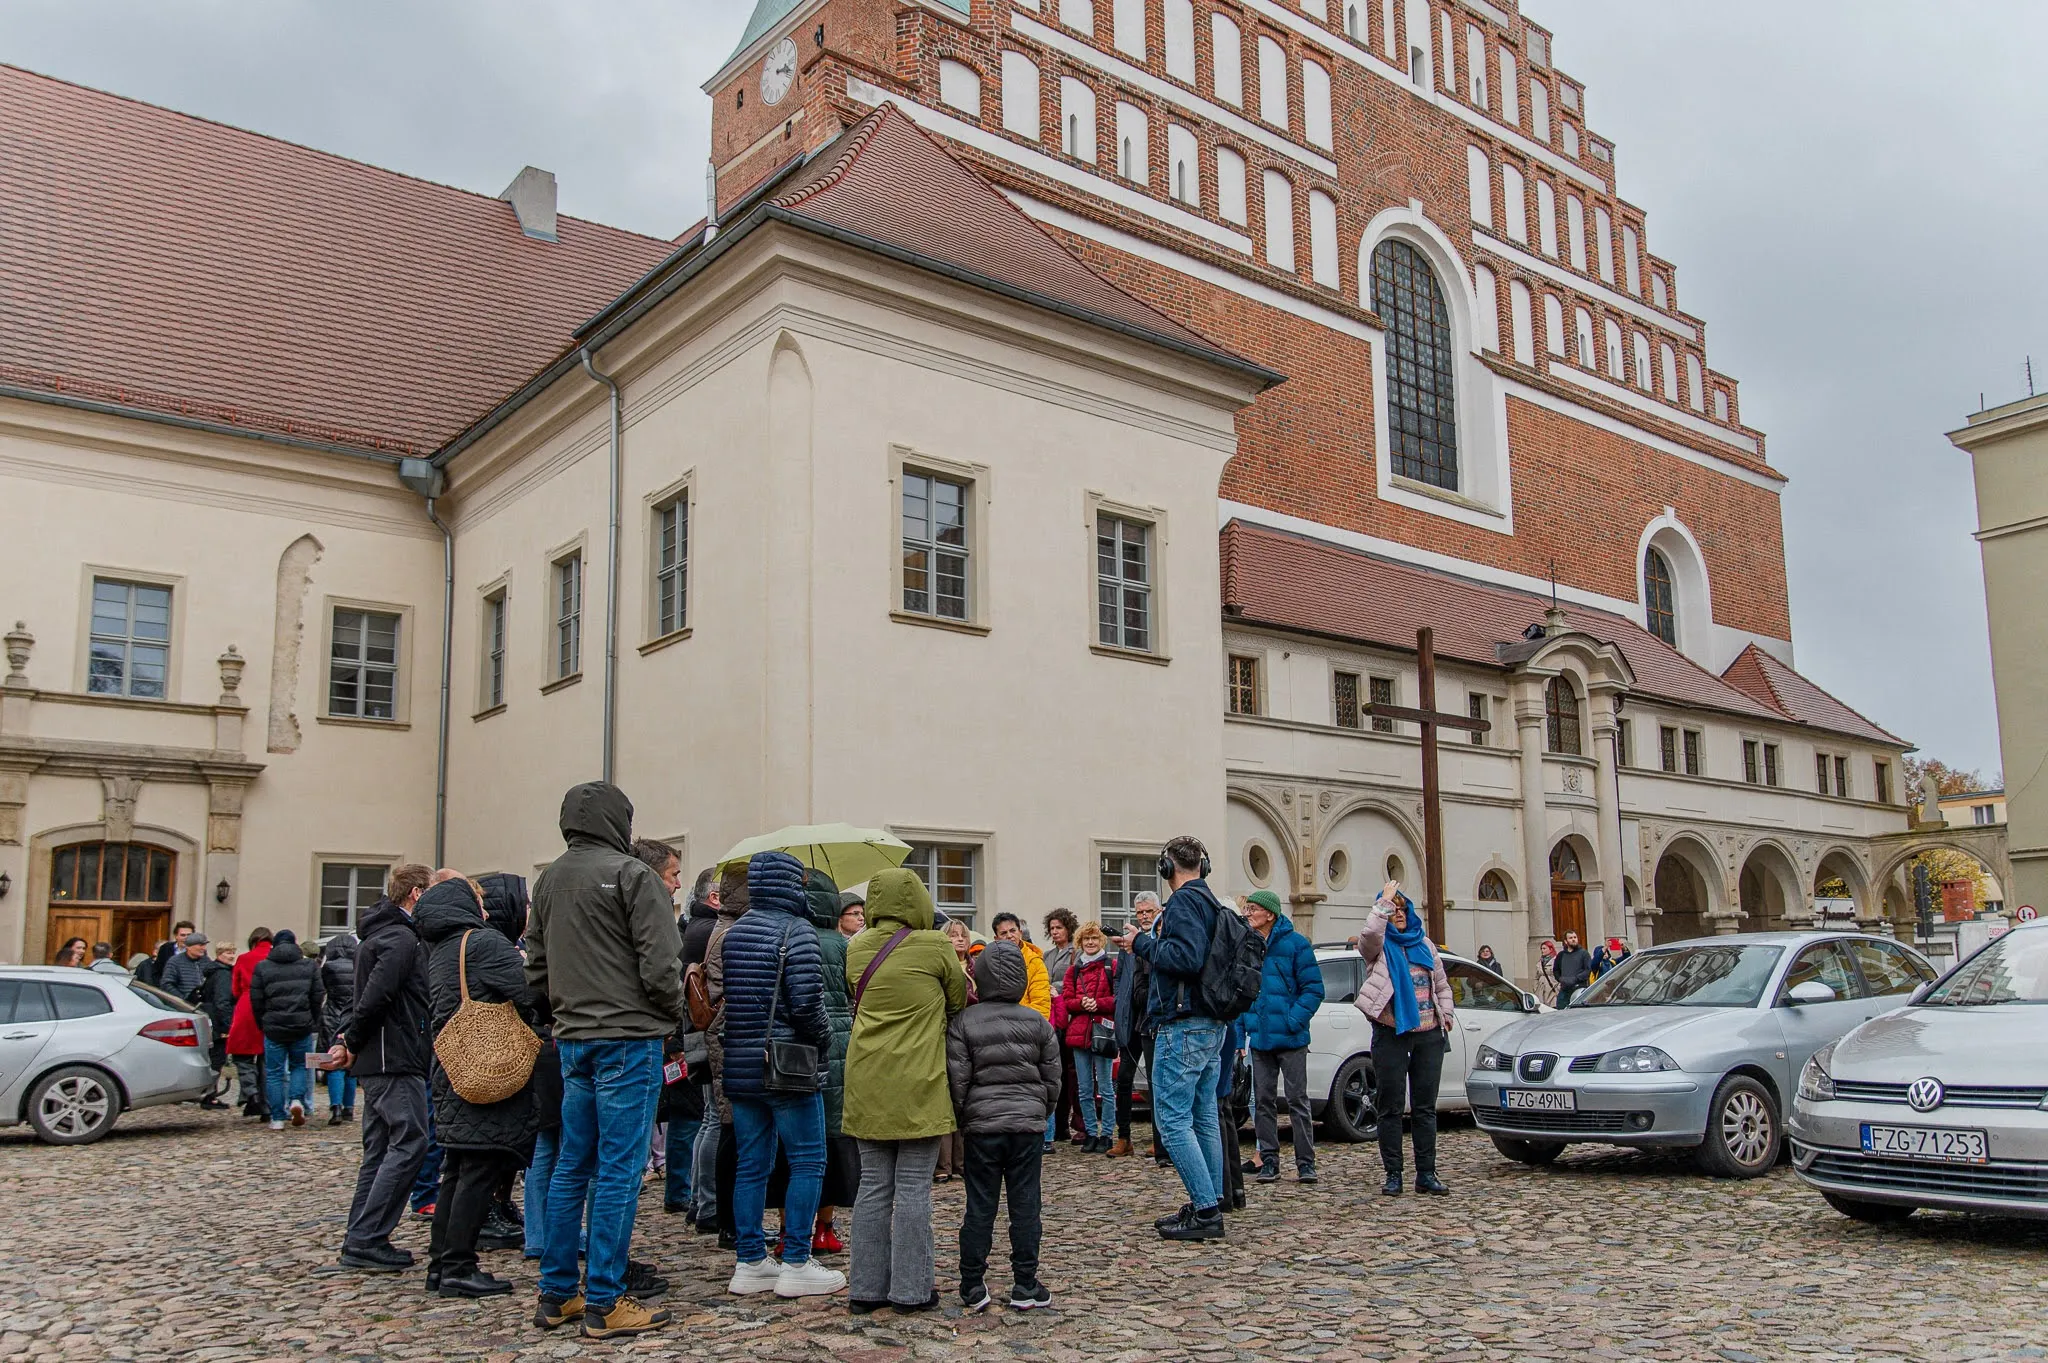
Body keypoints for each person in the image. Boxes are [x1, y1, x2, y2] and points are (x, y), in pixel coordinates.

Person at [526, 783, 687, 1340]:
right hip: (628, 1035)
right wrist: (667, 1015)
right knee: (619, 1170)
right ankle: (605, 1299)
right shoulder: (632, 874)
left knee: (574, 1164)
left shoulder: (549, 877)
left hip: (575, 1038)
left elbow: (536, 965)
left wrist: (562, 1013)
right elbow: (661, 962)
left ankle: (558, 1294)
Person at [842, 866, 967, 1314]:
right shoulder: (934, 946)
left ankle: (865, 1289)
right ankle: (913, 1291)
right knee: (914, 1187)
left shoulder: (855, 948)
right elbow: (956, 1000)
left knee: (873, 1186)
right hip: (919, 1079)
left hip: (866, 1080)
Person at [718, 851, 841, 1301]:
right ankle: (796, 1261)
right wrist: (825, 1039)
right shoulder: (797, 929)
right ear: (792, 885)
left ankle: (750, 1261)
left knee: (752, 1164)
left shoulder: (735, 933)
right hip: (788, 1065)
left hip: (742, 1063)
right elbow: (807, 1003)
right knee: (808, 1160)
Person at [417, 878, 540, 1299]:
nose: (486, 909)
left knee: (457, 1170)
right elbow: (530, 992)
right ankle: (458, 1266)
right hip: (487, 1065)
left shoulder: (441, 949)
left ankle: (442, 1263)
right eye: (479, 901)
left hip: (456, 1068)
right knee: (478, 1172)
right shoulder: (482, 944)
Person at [1117, 836, 1227, 1242]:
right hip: (1210, 1023)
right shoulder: (1212, 902)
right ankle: (1210, 1199)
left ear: (1167, 869)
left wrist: (1140, 943)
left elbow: (1186, 958)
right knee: (1203, 1117)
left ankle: (1206, 1209)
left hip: (1183, 1024)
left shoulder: (1182, 903)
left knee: (1173, 1120)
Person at [946, 938, 1060, 1312]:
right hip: (1026, 1125)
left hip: (983, 1125)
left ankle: (972, 1284)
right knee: (1026, 1205)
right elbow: (1052, 1079)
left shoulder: (964, 1021)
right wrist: (1040, 1114)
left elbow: (958, 1080)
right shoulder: (1037, 1022)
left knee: (980, 1205)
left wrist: (967, 1117)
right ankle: (1025, 1283)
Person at [334, 863, 434, 1275]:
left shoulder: (382, 935)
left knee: (379, 1149)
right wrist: (351, 1040)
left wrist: (347, 1038)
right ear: (414, 894)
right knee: (411, 1140)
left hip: (381, 1056)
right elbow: (375, 996)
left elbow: (362, 997)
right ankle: (369, 1237)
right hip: (393, 1056)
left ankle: (362, 1237)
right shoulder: (399, 939)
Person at [1356, 882, 1455, 1197]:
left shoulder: (1424, 944)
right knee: (1391, 1107)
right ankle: (1393, 1174)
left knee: (1425, 1108)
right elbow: (1370, 934)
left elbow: (1441, 984)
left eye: (1401, 908)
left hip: (1428, 1035)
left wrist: (1448, 1015)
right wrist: (1382, 901)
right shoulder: (1380, 947)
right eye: (1392, 909)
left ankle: (1426, 1173)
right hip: (1391, 1035)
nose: (1397, 914)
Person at [1243, 889, 1324, 1185]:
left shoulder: (1296, 945)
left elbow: (1314, 989)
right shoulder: (1248, 946)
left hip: (1291, 1038)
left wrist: (1293, 1019)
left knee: (1297, 1101)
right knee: (1263, 1102)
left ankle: (1305, 1163)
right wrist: (1247, 1023)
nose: (1248, 913)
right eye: (1247, 909)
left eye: (1253, 909)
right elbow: (1243, 988)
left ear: (1270, 914)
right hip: (1261, 1037)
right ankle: (1269, 1160)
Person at [802, 867, 858, 1256]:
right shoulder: (842, 946)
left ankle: (795, 1230)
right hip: (839, 1042)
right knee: (831, 1142)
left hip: (799, 1043)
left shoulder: (793, 939)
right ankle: (826, 1227)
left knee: (798, 1144)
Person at [668, 866, 719, 1220]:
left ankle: (698, 1200)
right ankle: (706, 1203)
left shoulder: (696, 927)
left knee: (704, 1119)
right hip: (705, 1030)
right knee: (711, 1119)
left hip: (694, 1031)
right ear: (714, 897)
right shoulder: (708, 930)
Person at [250, 928, 324, 1130]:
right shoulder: (309, 966)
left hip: (273, 1026)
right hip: (301, 1024)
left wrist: (262, 1023)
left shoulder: (263, 967)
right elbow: (317, 996)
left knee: (274, 1072)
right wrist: (312, 1019)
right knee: (299, 1065)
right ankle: (296, 1100)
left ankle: (276, 1118)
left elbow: (256, 1000)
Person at [1058, 922, 1118, 1153]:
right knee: (1084, 1088)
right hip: (1080, 1031)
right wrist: (1082, 1003)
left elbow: (1117, 998)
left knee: (1105, 1086)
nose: (1090, 943)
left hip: (1102, 1031)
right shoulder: (1073, 970)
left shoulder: (1111, 967)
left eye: (1094, 938)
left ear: (1101, 941)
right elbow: (1067, 999)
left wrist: (1099, 1004)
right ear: (1080, 942)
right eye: (1086, 939)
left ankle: (1107, 1134)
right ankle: (1091, 1132)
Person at [1110, 891, 1160, 1160]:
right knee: (1124, 1078)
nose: (1143, 916)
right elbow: (1119, 978)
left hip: (1151, 1019)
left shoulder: (1159, 940)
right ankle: (1124, 1137)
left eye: (1148, 912)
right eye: (1139, 912)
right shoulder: (1128, 945)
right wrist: (1120, 1001)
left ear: (1158, 911)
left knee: (1155, 1082)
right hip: (1130, 1019)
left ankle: (1159, 1139)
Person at [934, 918, 978, 1182]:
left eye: (963, 935)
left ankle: (962, 1162)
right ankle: (943, 1164)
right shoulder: (942, 967)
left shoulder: (975, 967)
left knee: (965, 1097)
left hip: (971, 1035)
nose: (959, 939)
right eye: (953, 935)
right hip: (947, 1033)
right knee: (946, 1096)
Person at [1040, 908, 1083, 1148]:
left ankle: (1068, 1123)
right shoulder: (1047, 955)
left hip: (1068, 1015)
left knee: (1069, 1073)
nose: (1055, 932)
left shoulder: (1074, 954)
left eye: (1059, 928)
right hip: (1051, 1014)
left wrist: (1055, 987)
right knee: (1055, 1072)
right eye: (1052, 928)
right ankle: (1057, 1125)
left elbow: (1072, 981)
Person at [228, 927, 274, 1118]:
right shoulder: (275, 957)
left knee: (242, 1056)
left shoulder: (244, 958)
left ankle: (252, 1093)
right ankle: (267, 1106)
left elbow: (235, 989)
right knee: (267, 1061)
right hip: (270, 1007)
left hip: (247, 1007)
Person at [319, 932, 359, 1125]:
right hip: (351, 1015)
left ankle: (335, 1107)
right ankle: (349, 1108)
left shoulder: (327, 968)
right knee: (349, 1064)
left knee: (333, 1064)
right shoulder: (358, 965)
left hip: (332, 1016)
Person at [1216, 1013, 1247, 1211]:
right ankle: (1234, 1191)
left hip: (1218, 1026)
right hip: (1226, 1025)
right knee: (1222, 1110)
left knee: (1215, 1114)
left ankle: (1223, 1194)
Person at [160, 931, 210, 1002]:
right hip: (182, 1006)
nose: (204, 948)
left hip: (203, 1005)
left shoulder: (206, 961)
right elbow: (166, 984)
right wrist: (183, 999)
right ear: (189, 947)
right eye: (200, 945)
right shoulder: (175, 961)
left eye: (204, 945)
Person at [147, 920, 196, 988]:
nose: (186, 938)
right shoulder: (165, 948)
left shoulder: (199, 950)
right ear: (176, 936)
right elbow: (157, 971)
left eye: (189, 935)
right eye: (183, 935)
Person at [1553, 931, 1593, 1008]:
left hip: (1579, 989)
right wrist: (1560, 979)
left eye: (1575, 937)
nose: (1573, 939)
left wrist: (1576, 979)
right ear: (1565, 941)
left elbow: (1587, 970)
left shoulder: (1584, 954)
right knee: (1561, 1010)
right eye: (1570, 938)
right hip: (1564, 990)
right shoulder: (1561, 955)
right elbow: (1556, 970)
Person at [1536, 939, 1560, 1006]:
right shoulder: (1540, 961)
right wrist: (1535, 987)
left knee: (1553, 1007)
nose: (1542, 950)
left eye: (1544, 948)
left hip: (1552, 989)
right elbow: (1536, 976)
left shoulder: (1556, 960)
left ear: (1550, 949)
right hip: (1541, 989)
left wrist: (1558, 987)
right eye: (1541, 948)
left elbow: (1560, 974)